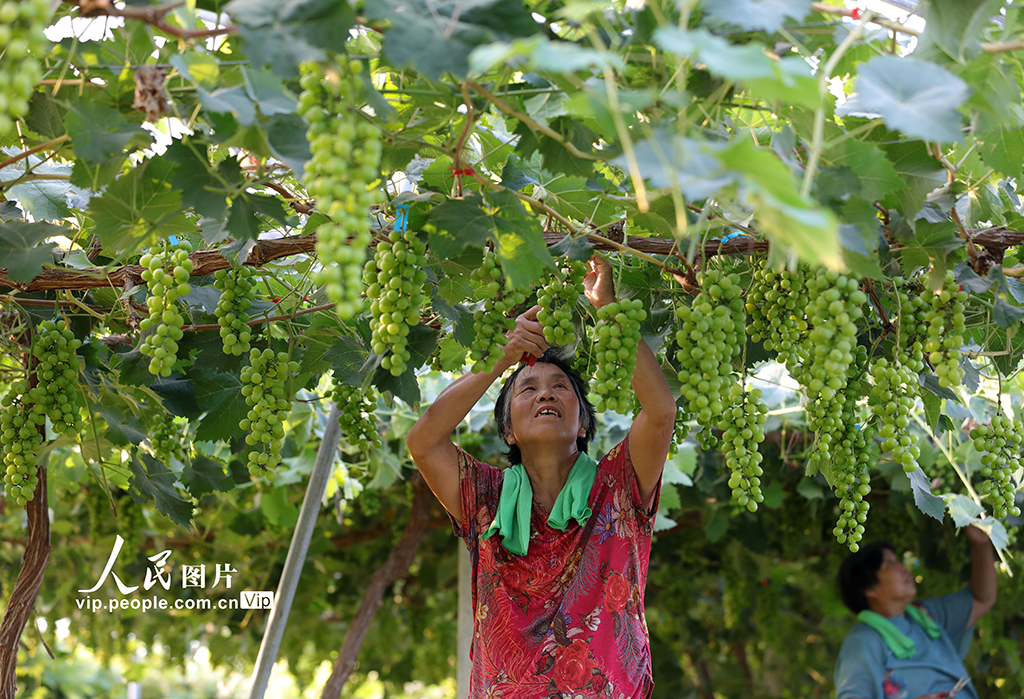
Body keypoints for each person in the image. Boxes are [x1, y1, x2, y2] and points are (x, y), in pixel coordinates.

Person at [406, 254, 676, 698]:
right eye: (527, 388)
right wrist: (502, 358)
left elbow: (661, 412)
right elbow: (424, 441)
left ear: (583, 424)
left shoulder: (618, 486)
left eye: (560, 386)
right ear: (508, 430)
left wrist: (606, 307)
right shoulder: (486, 499)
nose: (545, 392)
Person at [833, 525, 998, 699]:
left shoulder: (927, 616)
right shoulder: (863, 640)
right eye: (890, 563)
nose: (903, 567)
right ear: (868, 588)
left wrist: (981, 544)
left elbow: (981, 599)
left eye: (898, 561)